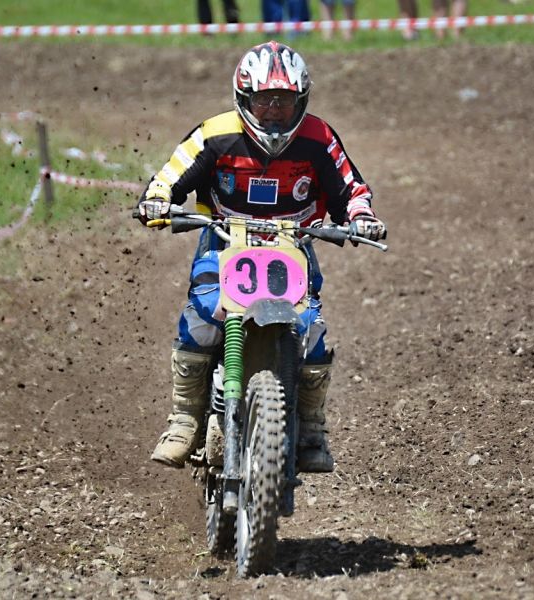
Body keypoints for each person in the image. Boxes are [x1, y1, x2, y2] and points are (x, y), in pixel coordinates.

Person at [137, 41, 386, 473]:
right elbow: (169, 176)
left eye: (283, 101)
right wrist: (157, 200)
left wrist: (361, 217)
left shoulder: (319, 138)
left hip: (294, 244)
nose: (273, 111)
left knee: (310, 330)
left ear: (301, 101)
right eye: (264, 100)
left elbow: (352, 190)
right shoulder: (215, 134)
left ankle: (311, 427)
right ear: (244, 99)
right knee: (203, 318)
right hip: (224, 241)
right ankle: (184, 419)